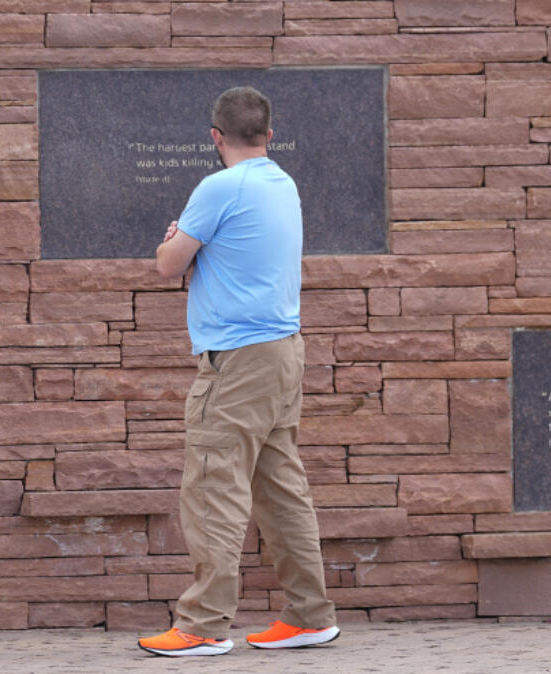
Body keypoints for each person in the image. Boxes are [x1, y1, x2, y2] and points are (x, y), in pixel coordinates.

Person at [137, 86, 339, 657]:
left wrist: (176, 238)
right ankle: (309, 616)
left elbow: (165, 265)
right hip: (283, 352)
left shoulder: (218, 187)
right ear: (269, 136)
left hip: (239, 361)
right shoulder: (283, 182)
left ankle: (202, 626)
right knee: (280, 489)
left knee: (212, 485)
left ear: (215, 137)